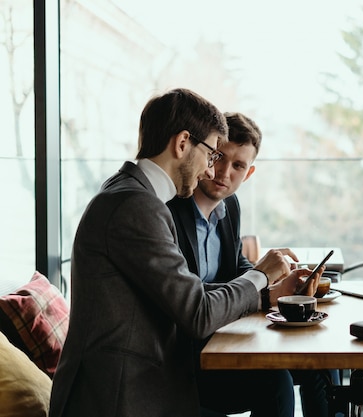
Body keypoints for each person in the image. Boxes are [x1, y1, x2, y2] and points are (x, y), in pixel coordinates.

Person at [49, 88, 322, 417]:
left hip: (137, 386)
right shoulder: (136, 207)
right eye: (211, 155)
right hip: (121, 398)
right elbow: (198, 312)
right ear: (182, 144)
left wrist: (266, 292)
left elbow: (184, 296)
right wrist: (260, 275)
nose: (211, 171)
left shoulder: (130, 195)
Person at [167, 112, 335, 417]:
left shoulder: (229, 207)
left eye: (238, 165)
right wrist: (258, 285)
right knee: (275, 381)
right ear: (206, 154)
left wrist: (277, 281)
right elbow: (187, 297)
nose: (224, 172)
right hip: (190, 360)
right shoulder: (171, 211)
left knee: (321, 363)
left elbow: (235, 264)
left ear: (249, 173)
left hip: (229, 336)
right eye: (219, 157)